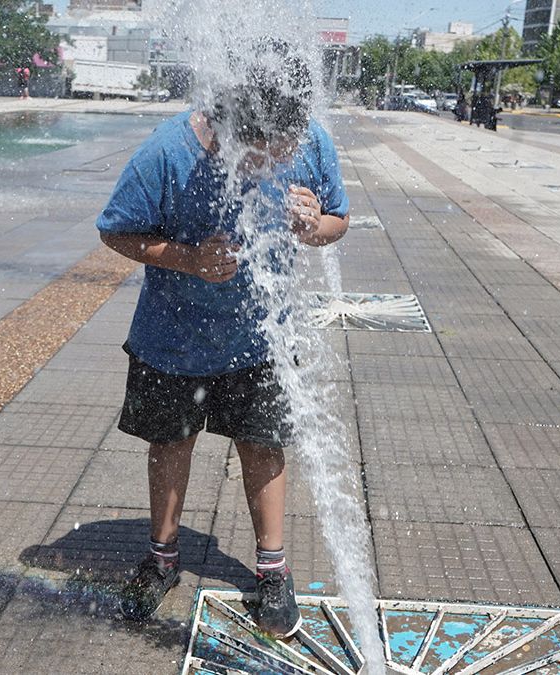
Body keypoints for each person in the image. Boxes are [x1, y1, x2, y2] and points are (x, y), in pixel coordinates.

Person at [95, 42, 349, 638]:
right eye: (266, 154)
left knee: (263, 447)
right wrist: (187, 258)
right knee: (171, 444)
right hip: (172, 338)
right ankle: (161, 558)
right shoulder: (168, 152)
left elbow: (339, 220)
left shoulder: (309, 138)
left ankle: (273, 571)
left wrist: (314, 228)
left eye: (287, 150)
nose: (279, 162)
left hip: (264, 336)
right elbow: (115, 232)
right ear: (234, 130)